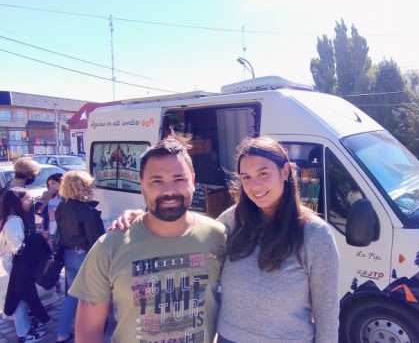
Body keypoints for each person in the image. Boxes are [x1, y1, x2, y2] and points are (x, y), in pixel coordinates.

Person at [112, 136, 341, 342]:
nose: (255, 185)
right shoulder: (232, 221)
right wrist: (146, 219)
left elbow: (327, 314)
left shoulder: (314, 234)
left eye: (263, 174)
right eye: (246, 177)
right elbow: (189, 233)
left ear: (284, 172)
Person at [70, 136, 226, 343]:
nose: (169, 191)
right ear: (141, 183)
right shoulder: (109, 246)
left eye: (179, 179)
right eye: (157, 181)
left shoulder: (219, 236)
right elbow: (89, 330)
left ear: (193, 181)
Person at [54, 170, 105, 343]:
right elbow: (95, 238)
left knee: (72, 295)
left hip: (68, 254)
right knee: (93, 294)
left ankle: (62, 332)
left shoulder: (63, 205)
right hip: (84, 255)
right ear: (83, 186)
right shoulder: (84, 209)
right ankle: (90, 332)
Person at [0, 187, 49, 342]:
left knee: (22, 295)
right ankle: (24, 333)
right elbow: (19, 248)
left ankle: (27, 324)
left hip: (17, 264)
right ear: (17, 202)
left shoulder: (11, 218)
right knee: (19, 298)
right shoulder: (14, 221)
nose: (31, 203)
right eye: (28, 200)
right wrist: (39, 239)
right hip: (16, 265)